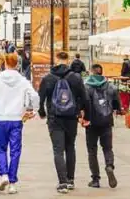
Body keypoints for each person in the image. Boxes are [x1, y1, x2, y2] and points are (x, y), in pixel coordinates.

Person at [0, 52, 40, 194]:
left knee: (0, 148)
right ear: (17, 64)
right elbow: (34, 95)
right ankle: (13, 182)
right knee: (15, 151)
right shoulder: (22, 80)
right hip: (16, 119)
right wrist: (34, 110)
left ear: (5, 63)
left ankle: (3, 174)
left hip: (1, 118)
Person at [37, 51, 87, 193]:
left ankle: (62, 183)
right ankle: (71, 180)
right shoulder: (76, 78)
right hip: (71, 117)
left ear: (56, 60)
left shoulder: (48, 78)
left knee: (58, 150)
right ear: (68, 60)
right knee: (70, 147)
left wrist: (42, 112)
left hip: (54, 118)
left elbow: (40, 98)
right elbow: (84, 97)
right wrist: (84, 113)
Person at [83, 64, 121, 189]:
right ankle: (109, 166)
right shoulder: (111, 87)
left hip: (91, 122)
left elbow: (82, 104)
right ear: (101, 72)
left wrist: (83, 117)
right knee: (107, 148)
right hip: (107, 122)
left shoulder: (86, 87)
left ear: (92, 72)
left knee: (92, 151)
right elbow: (117, 106)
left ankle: (95, 179)